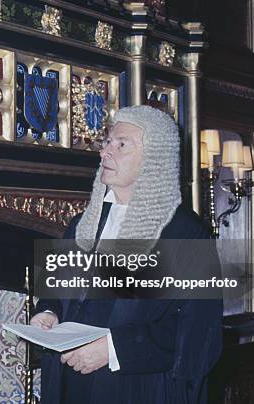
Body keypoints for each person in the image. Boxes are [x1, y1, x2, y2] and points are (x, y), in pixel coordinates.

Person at [31, 105, 223, 404]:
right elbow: (56, 287)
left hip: (138, 390)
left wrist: (112, 348)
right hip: (69, 388)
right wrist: (47, 312)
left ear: (154, 160)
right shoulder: (84, 223)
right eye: (107, 142)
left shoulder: (185, 233)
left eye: (121, 144)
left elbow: (199, 336)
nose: (104, 152)